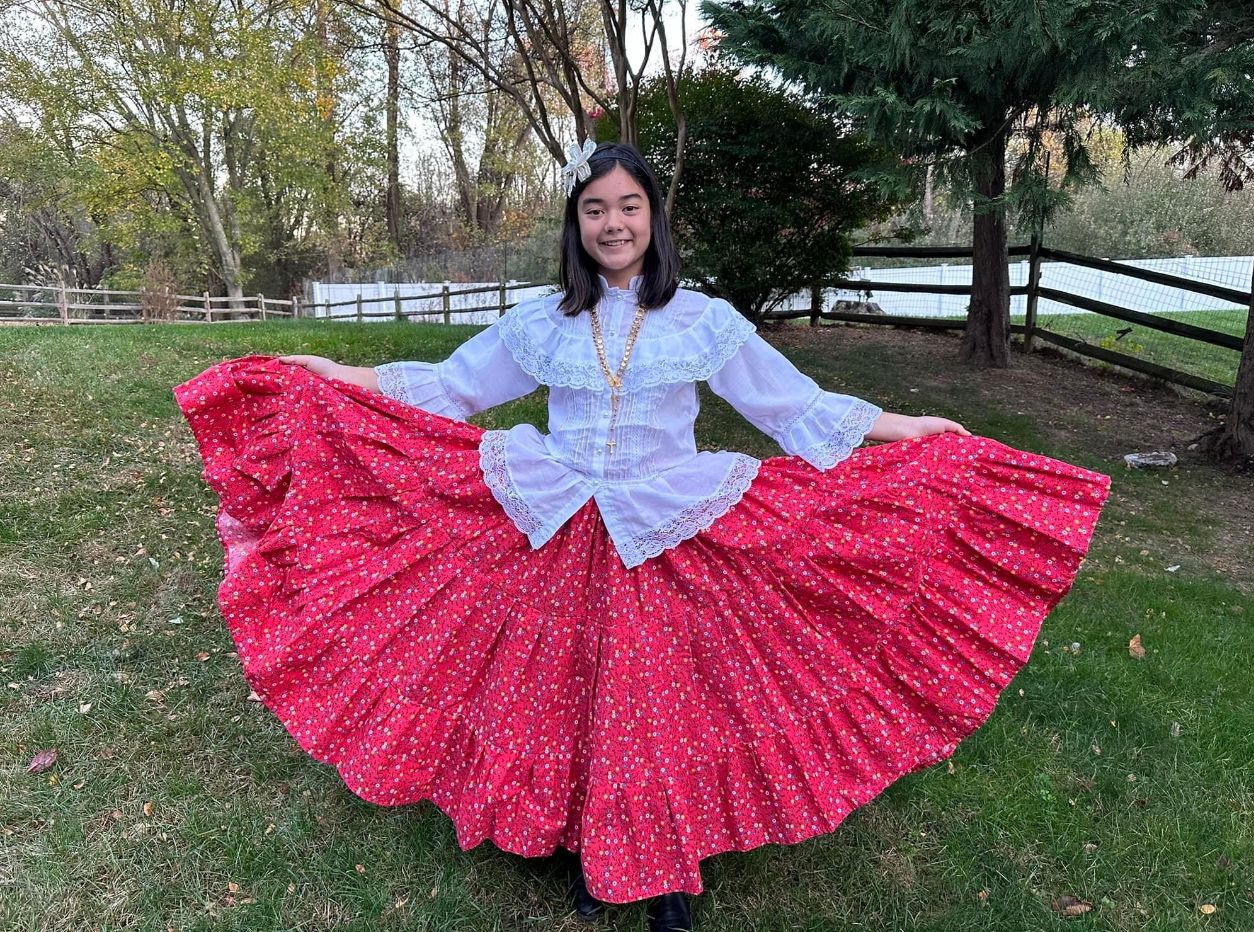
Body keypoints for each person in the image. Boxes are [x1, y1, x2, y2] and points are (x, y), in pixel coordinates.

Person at [173, 141, 1111, 931]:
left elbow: (795, 409)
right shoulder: (541, 321)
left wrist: (904, 431)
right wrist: (336, 369)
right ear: (576, 225)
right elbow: (450, 390)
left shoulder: (704, 322)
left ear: (654, 218)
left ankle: (660, 864)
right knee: (568, 690)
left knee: (659, 697)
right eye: (594, 210)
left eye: (629, 207)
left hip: (668, 526)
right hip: (557, 522)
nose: (613, 224)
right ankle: (585, 841)